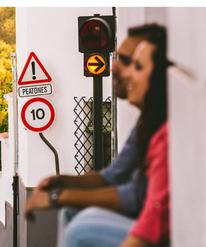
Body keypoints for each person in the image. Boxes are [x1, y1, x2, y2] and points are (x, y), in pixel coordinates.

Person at [59, 24, 171, 247]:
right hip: (161, 238)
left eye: (136, 65)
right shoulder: (151, 125)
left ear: (158, 77)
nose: (123, 72)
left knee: (81, 233)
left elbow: (147, 215)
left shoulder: (166, 136)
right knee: (74, 213)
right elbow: (118, 176)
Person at [25, 25, 160, 221]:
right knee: (72, 212)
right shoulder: (145, 121)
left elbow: (135, 195)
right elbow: (111, 176)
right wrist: (62, 181)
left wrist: (60, 196)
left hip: (147, 227)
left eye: (129, 62)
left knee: (81, 229)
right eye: (116, 57)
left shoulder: (160, 127)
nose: (113, 66)